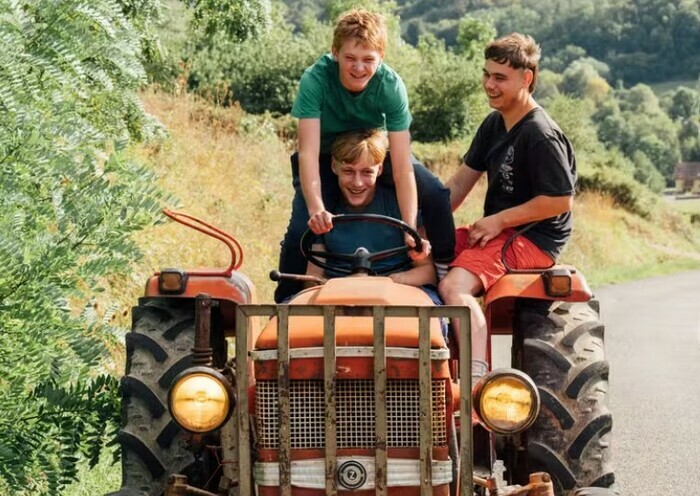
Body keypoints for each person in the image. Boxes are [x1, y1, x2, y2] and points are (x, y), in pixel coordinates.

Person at [275, 8, 454, 303]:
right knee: (299, 231)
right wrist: (316, 208)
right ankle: (285, 302)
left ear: (380, 57)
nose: (359, 68)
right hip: (325, 156)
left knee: (434, 192)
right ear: (335, 53)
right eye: (350, 59)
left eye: (368, 60)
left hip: (372, 152)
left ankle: (444, 273)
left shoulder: (391, 86)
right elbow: (307, 153)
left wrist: (409, 227)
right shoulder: (315, 80)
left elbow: (402, 169)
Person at [438, 33, 577, 387]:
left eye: (500, 78)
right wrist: (421, 227)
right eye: (486, 75)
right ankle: (431, 365)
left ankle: (477, 384)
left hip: (533, 239)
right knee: (421, 258)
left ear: (526, 78)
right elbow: (459, 186)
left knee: (455, 288)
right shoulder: (495, 123)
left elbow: (561, 200)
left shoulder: (540, 134)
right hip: (499, 231)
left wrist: (499, 219)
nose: (489, 84)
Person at [306, 129, 437, 291]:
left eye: (367, 172)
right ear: (334, 166)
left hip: (397, 292)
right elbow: (312, 277)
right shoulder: (323, 210)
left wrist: (389, 281)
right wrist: (343, 285)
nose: (358, 183)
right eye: (348, 171)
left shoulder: (401, 205)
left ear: (380, 170)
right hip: (339, 295)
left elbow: (428, 271)